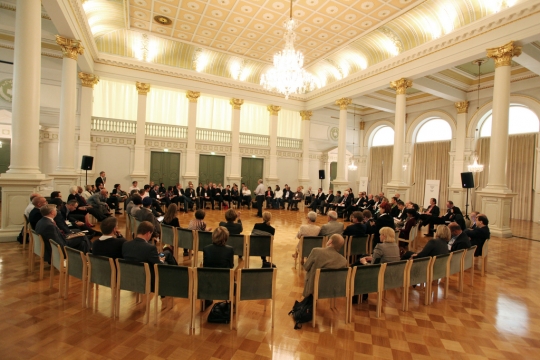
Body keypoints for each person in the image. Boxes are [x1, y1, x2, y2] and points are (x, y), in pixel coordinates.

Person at [122, 221, 172, 289]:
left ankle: (164, 253)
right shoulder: (150, 248)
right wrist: (161, 260)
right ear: (148, 233)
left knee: (166, 253)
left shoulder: (126, 244)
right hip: (146, 278)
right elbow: (159, 265)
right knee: (166, 262)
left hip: (129, 277)